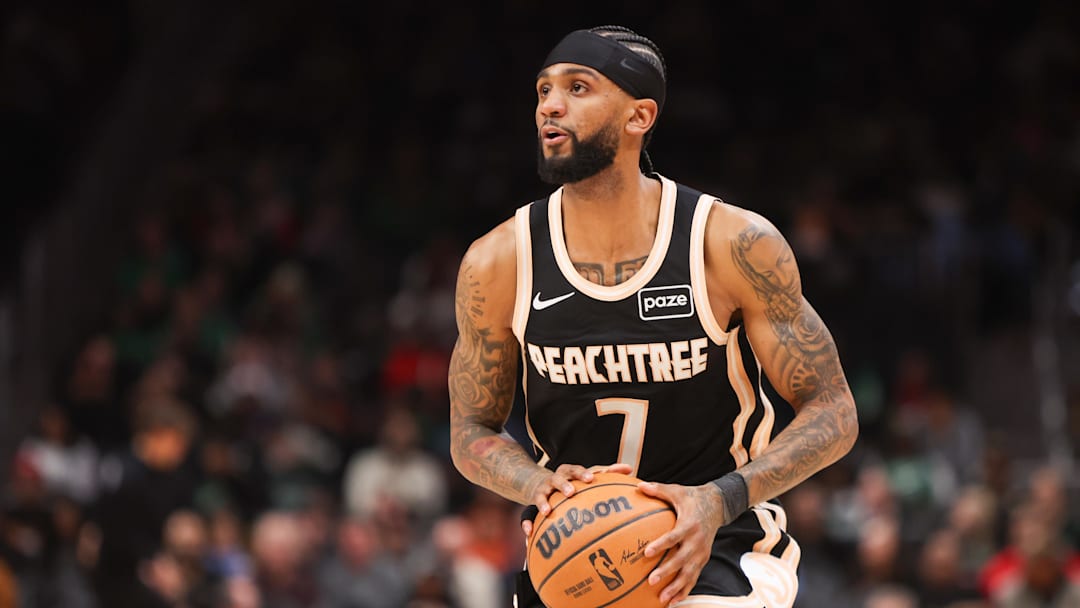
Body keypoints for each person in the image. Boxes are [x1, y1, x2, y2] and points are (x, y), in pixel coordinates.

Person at [448, 25, 859, 608]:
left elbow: (835, 411)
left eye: (578, 87)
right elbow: (471, 431)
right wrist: (536, 485)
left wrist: (719, 499)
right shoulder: (497, 263)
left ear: (639, 116)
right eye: (542, 91)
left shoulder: (730, 243)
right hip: (576, 558)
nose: (550, 106)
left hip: (719, 547)